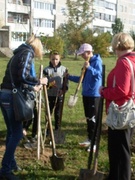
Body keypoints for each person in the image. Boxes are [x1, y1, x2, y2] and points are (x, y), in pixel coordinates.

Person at [0, 34, 48, 180]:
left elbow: (18, 77)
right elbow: (23, 75)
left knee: (11, 132)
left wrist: (31, 87)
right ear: (37, 47)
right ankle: (5, 170)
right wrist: (39, 80)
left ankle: (11, 163)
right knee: (18, 133)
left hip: (5, 94)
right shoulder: (27, 53)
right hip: (11, 97)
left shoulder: (18, 53)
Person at [99, 32, 135, 180]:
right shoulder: (133, 60)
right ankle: (116, 175)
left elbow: (121, 90)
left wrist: (104, 91)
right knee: (121, 148)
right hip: (130, 110)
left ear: (117, 45)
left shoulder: (124, 62)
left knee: (119, 150)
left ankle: (121, 176)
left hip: (121, 112)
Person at [67, 43, 102, 152]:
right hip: (86, 94)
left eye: (83, 54)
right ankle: (90, 138)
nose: (82, 56)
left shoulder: (97, 62)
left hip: (94, 95)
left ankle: (95, 142)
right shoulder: (87, 63)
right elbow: (82, 79)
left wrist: (90, 68)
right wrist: (69, 77)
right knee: (88, 118)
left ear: (88, 52)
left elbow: (99, 75)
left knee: (93, 119)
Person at [43, 50, 68, 131]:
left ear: (59, 59)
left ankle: (57, 129)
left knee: (58, 113)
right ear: (50, 59)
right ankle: (47, 129)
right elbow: (44, 83)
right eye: (53, 59)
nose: (54, 61)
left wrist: (64, 90)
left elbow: (66, 82)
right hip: (49, 95)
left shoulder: (64, 69)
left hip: (59, 94)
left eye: (56, 59)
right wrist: (50, 85)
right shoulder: (46, 70)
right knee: (48, 113)